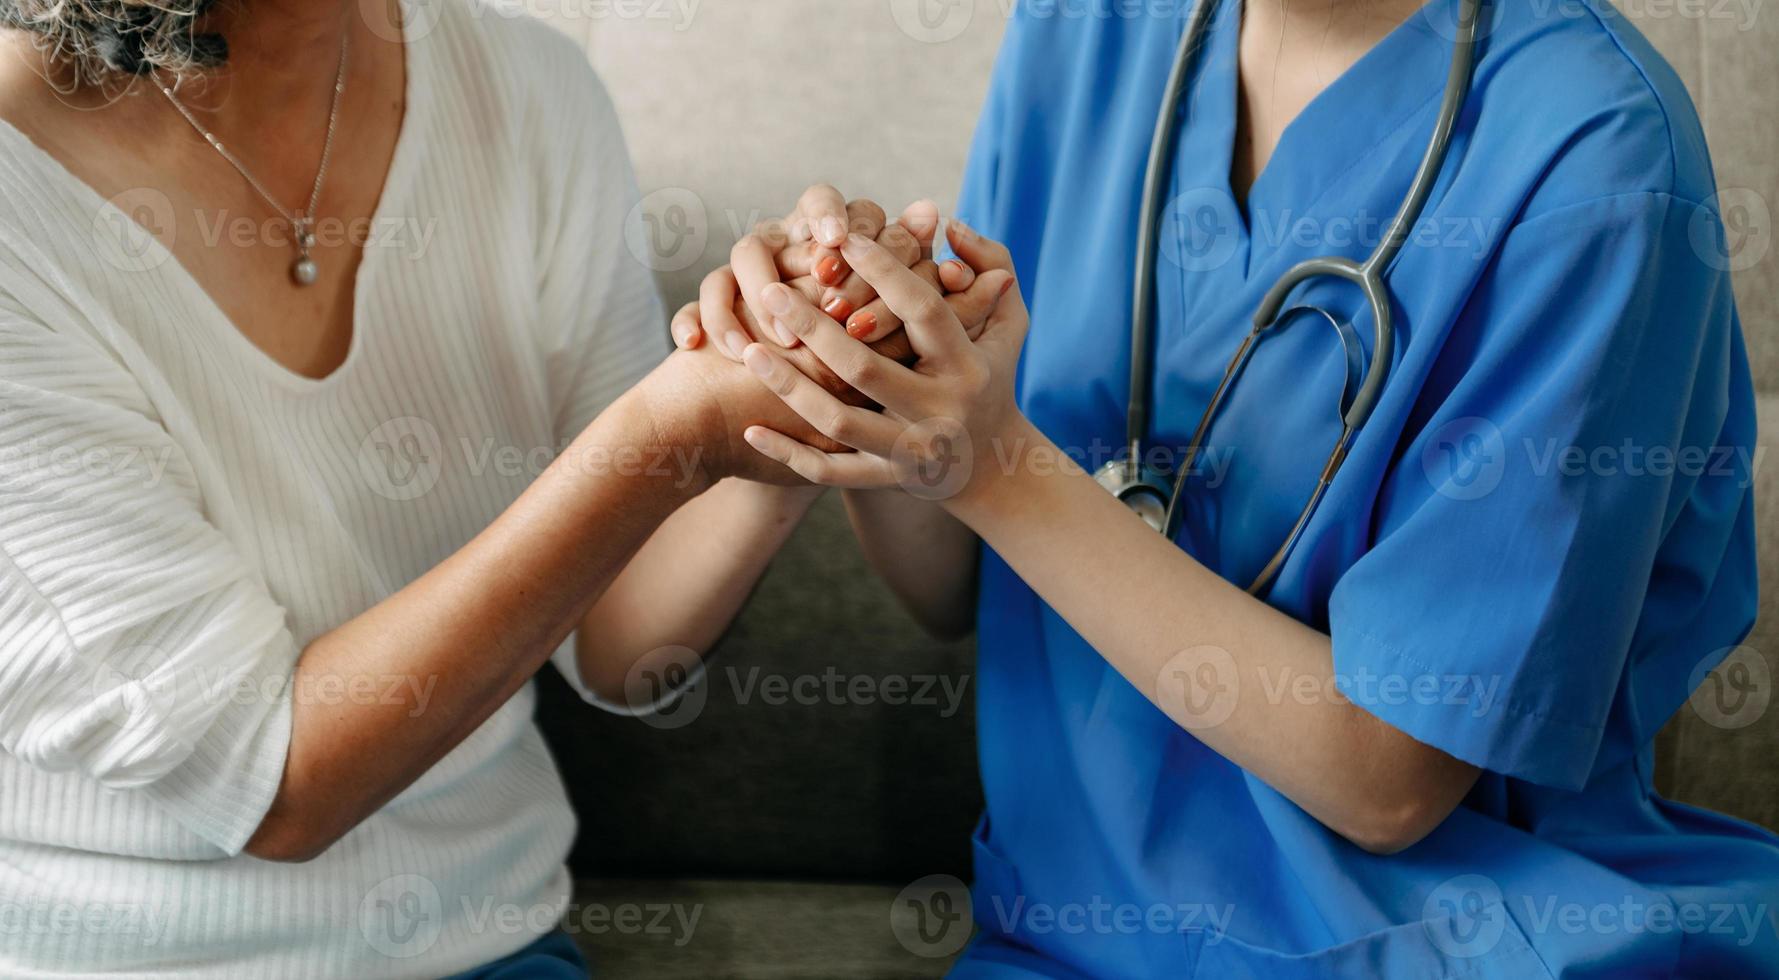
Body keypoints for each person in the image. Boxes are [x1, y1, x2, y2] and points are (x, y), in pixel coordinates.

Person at [678, 0, 1779, 975]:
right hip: (1065, 929)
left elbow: (1389, 782)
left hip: (1435, 940)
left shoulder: (1594, 155)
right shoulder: (1085, 30)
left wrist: (996, 465)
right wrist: (859, 373)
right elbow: (949, 585)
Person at [0, 0, 994, 976]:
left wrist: (790, 395)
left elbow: (620, 639)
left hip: (487, 946)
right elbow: (277, 783)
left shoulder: (525, 90)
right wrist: (671, 439)